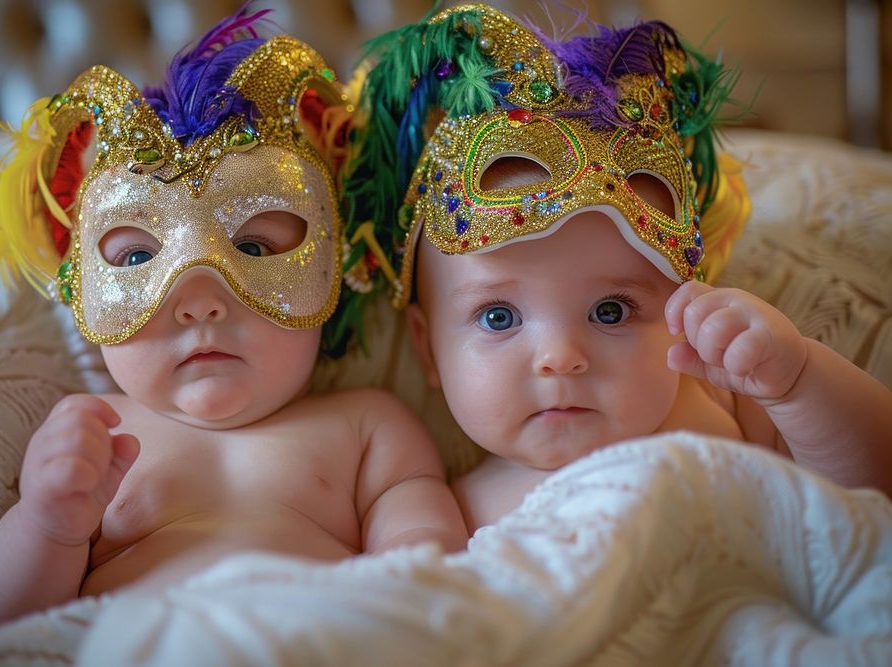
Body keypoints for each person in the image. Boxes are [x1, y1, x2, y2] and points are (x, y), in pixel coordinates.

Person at [0, 9, 468, 630]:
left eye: (254, 248)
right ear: (81, 290)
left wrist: (410, 585)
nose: (200, 303)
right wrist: (45, 523)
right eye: (138, 257)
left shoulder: (368, 427)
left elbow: (429, 563)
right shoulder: (92, 433)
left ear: (335, 266)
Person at [336, 3, 892, 533]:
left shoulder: (718, 404)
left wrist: (795, 381)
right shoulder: (451, 512)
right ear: (426, 347)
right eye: (498, 318)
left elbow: (870, 488)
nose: (561, 359)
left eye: (611, 310)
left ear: (686, 307)